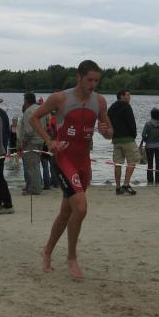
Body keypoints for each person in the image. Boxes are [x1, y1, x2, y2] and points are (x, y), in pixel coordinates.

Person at [29, 60, 113, 279]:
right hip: (63, 158)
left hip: (83, 161)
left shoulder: (100, 101)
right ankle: (72, 257)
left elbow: (109, 132)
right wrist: (49, 141)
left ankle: (47, 251)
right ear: (79, 77)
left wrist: (106, 131)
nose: (93, 85)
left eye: (96, 81)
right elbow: (34, 118)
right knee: (81, 209)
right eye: (89, 80)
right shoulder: (61, 98)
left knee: (67, 212)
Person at [107, 89, 139, 195]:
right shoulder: (126, 106)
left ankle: (117, 187)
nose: (129, 97)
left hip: (116, 139)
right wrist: (134, 135)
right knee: (132, 161)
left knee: (117, 163)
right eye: (127, 95)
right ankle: (126, 184)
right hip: (127, 138)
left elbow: (107, 121)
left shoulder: (112, 107)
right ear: (121, 96)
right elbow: (131, 122)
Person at [19, 92, 44, 195]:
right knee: (35, 164)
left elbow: (28, 130)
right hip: (40, 140)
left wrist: (24, 142)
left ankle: (35, 189)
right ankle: (32, 185)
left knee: (31, 166)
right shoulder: (40, 109)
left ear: (26, 100)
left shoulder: (28, 111)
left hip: (31, 142)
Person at [141, 108, 159, 184]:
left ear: (151, 115)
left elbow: (143, 135)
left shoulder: (148, 124)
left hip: (149, 146)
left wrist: (146, 140)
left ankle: (150, 181)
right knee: (158, 164)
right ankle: (158, 181)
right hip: (158, 146)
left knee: (150, 164)